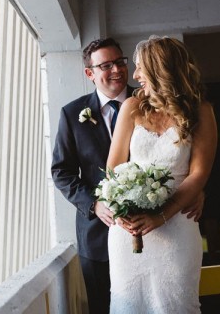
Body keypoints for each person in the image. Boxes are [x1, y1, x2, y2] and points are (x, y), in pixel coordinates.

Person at [106, 35, 217, 313]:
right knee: (128, 305)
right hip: (128, 231)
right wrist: (120, 209)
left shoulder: (201, 112)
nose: (136, 75)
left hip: (177, 224)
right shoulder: (131, 107)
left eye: (141, 67)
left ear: (160, 69)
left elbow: (198, 175)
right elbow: (114, 168)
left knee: (177, 303)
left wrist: (161, 215)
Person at [51, 37, 135, 314]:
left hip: (150, 227)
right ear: (90, 73)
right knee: (104, 307)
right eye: (106, 65)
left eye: (120, 62)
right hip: (97, 236)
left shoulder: (149, 102)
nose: (117, 70)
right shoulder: (72, 113)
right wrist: (94, 204)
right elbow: (61, 172)